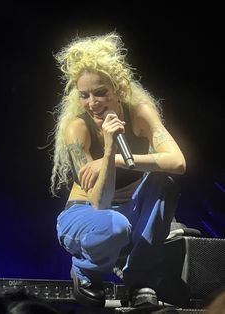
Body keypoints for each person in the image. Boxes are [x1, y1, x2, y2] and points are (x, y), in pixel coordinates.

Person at [51, 32, 186, 308]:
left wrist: (117, 160)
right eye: (84, 95)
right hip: (86, 216)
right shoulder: (77, 128)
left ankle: (140, 281)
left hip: (129, 213)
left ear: (120, 89)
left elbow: (178, 162)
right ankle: (84, 269)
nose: (92, 103)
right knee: (115, 226)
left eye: (101, 92)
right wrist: (110, 149)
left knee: (166, 179)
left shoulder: (139, 112)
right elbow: (99, 203)